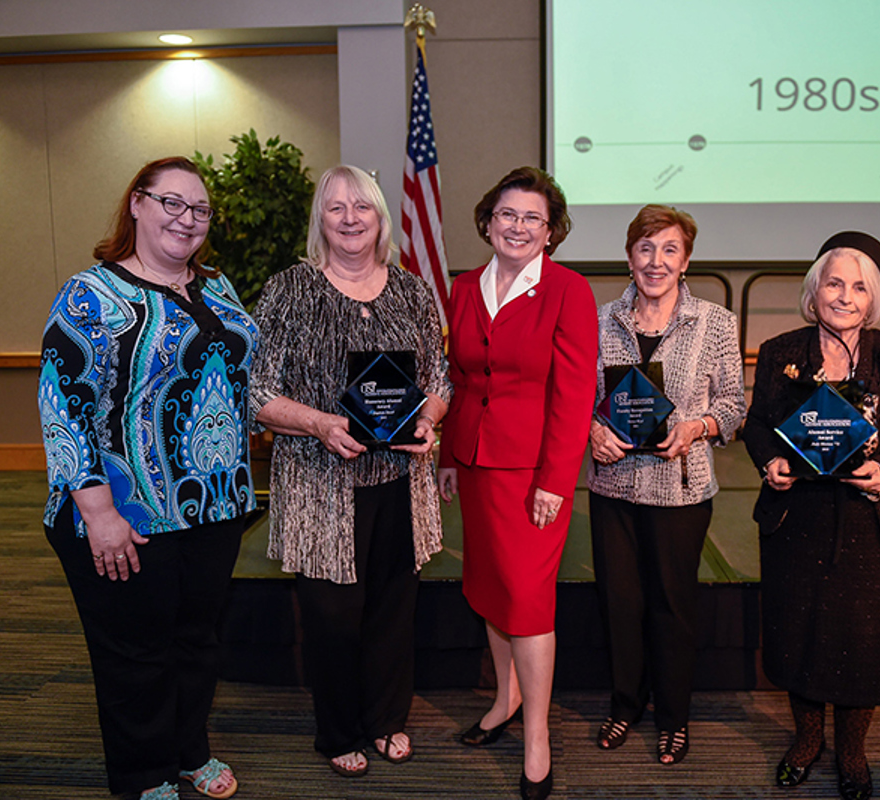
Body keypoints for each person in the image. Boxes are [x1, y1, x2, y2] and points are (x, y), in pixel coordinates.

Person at [39, 157, 255, 800]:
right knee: (136, 651)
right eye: (172, 203)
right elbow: (63, 403)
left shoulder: (216, 287)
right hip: (125, 510)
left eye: (200, 210)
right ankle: (144, 773)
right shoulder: (92, 294)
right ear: (136, 203)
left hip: (214, 504)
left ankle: (188, 750)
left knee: (197, 641)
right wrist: (99, 511)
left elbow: (247, 387)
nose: (187, 220)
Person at [249, 165, 450, 779]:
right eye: (335, 208)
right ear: (321, 220)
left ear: (380, 217)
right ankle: (338, 732)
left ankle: (387, 720)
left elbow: (438, 379)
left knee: (393, 612)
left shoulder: (412, 291)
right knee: (333, 620)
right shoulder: (289, 290)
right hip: (320, 487)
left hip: (399, 483)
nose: (350, 218)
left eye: (361, 206)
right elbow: (257, 391)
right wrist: (320, 424)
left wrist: (428, 420)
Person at [742, 232, 880, 800]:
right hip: (799, 521)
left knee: (863, 643)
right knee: (800, 636)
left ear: (874, 297)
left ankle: (852, 753)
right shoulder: (782, 351)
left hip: (876, 526)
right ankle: (807, 742)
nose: (845, 296)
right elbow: (758, 425)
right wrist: (772, 462)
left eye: (860, 286)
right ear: (815, 288)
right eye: (834, 282)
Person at [437, 166, 598, 800]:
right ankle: (503, 699)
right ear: (488, 221)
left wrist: (557, 480)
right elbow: (458, 377)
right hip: (476, 465)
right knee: (488, 585)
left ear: (551, 231)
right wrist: (449, 455)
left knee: (528, 602)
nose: (519, 226)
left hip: (535, 475)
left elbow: (575, 391)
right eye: (508, 214)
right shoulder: (464, 287)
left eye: (533, 217)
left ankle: (538, 737)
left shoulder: (568, 291)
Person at [587, 205, 746, 765]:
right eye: (646, 248)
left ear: (686, 260)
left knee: (672, 606)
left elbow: (734, 406)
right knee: (620, 604)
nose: (656, 261)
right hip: (614, 488)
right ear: (629, 257)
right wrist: (591, 431)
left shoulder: (716, 322)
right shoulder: (599, 320)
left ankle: (674, 717)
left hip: (680, 491)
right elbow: (581, 399)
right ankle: (625, 704)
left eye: (669, 250)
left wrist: (697, 426)